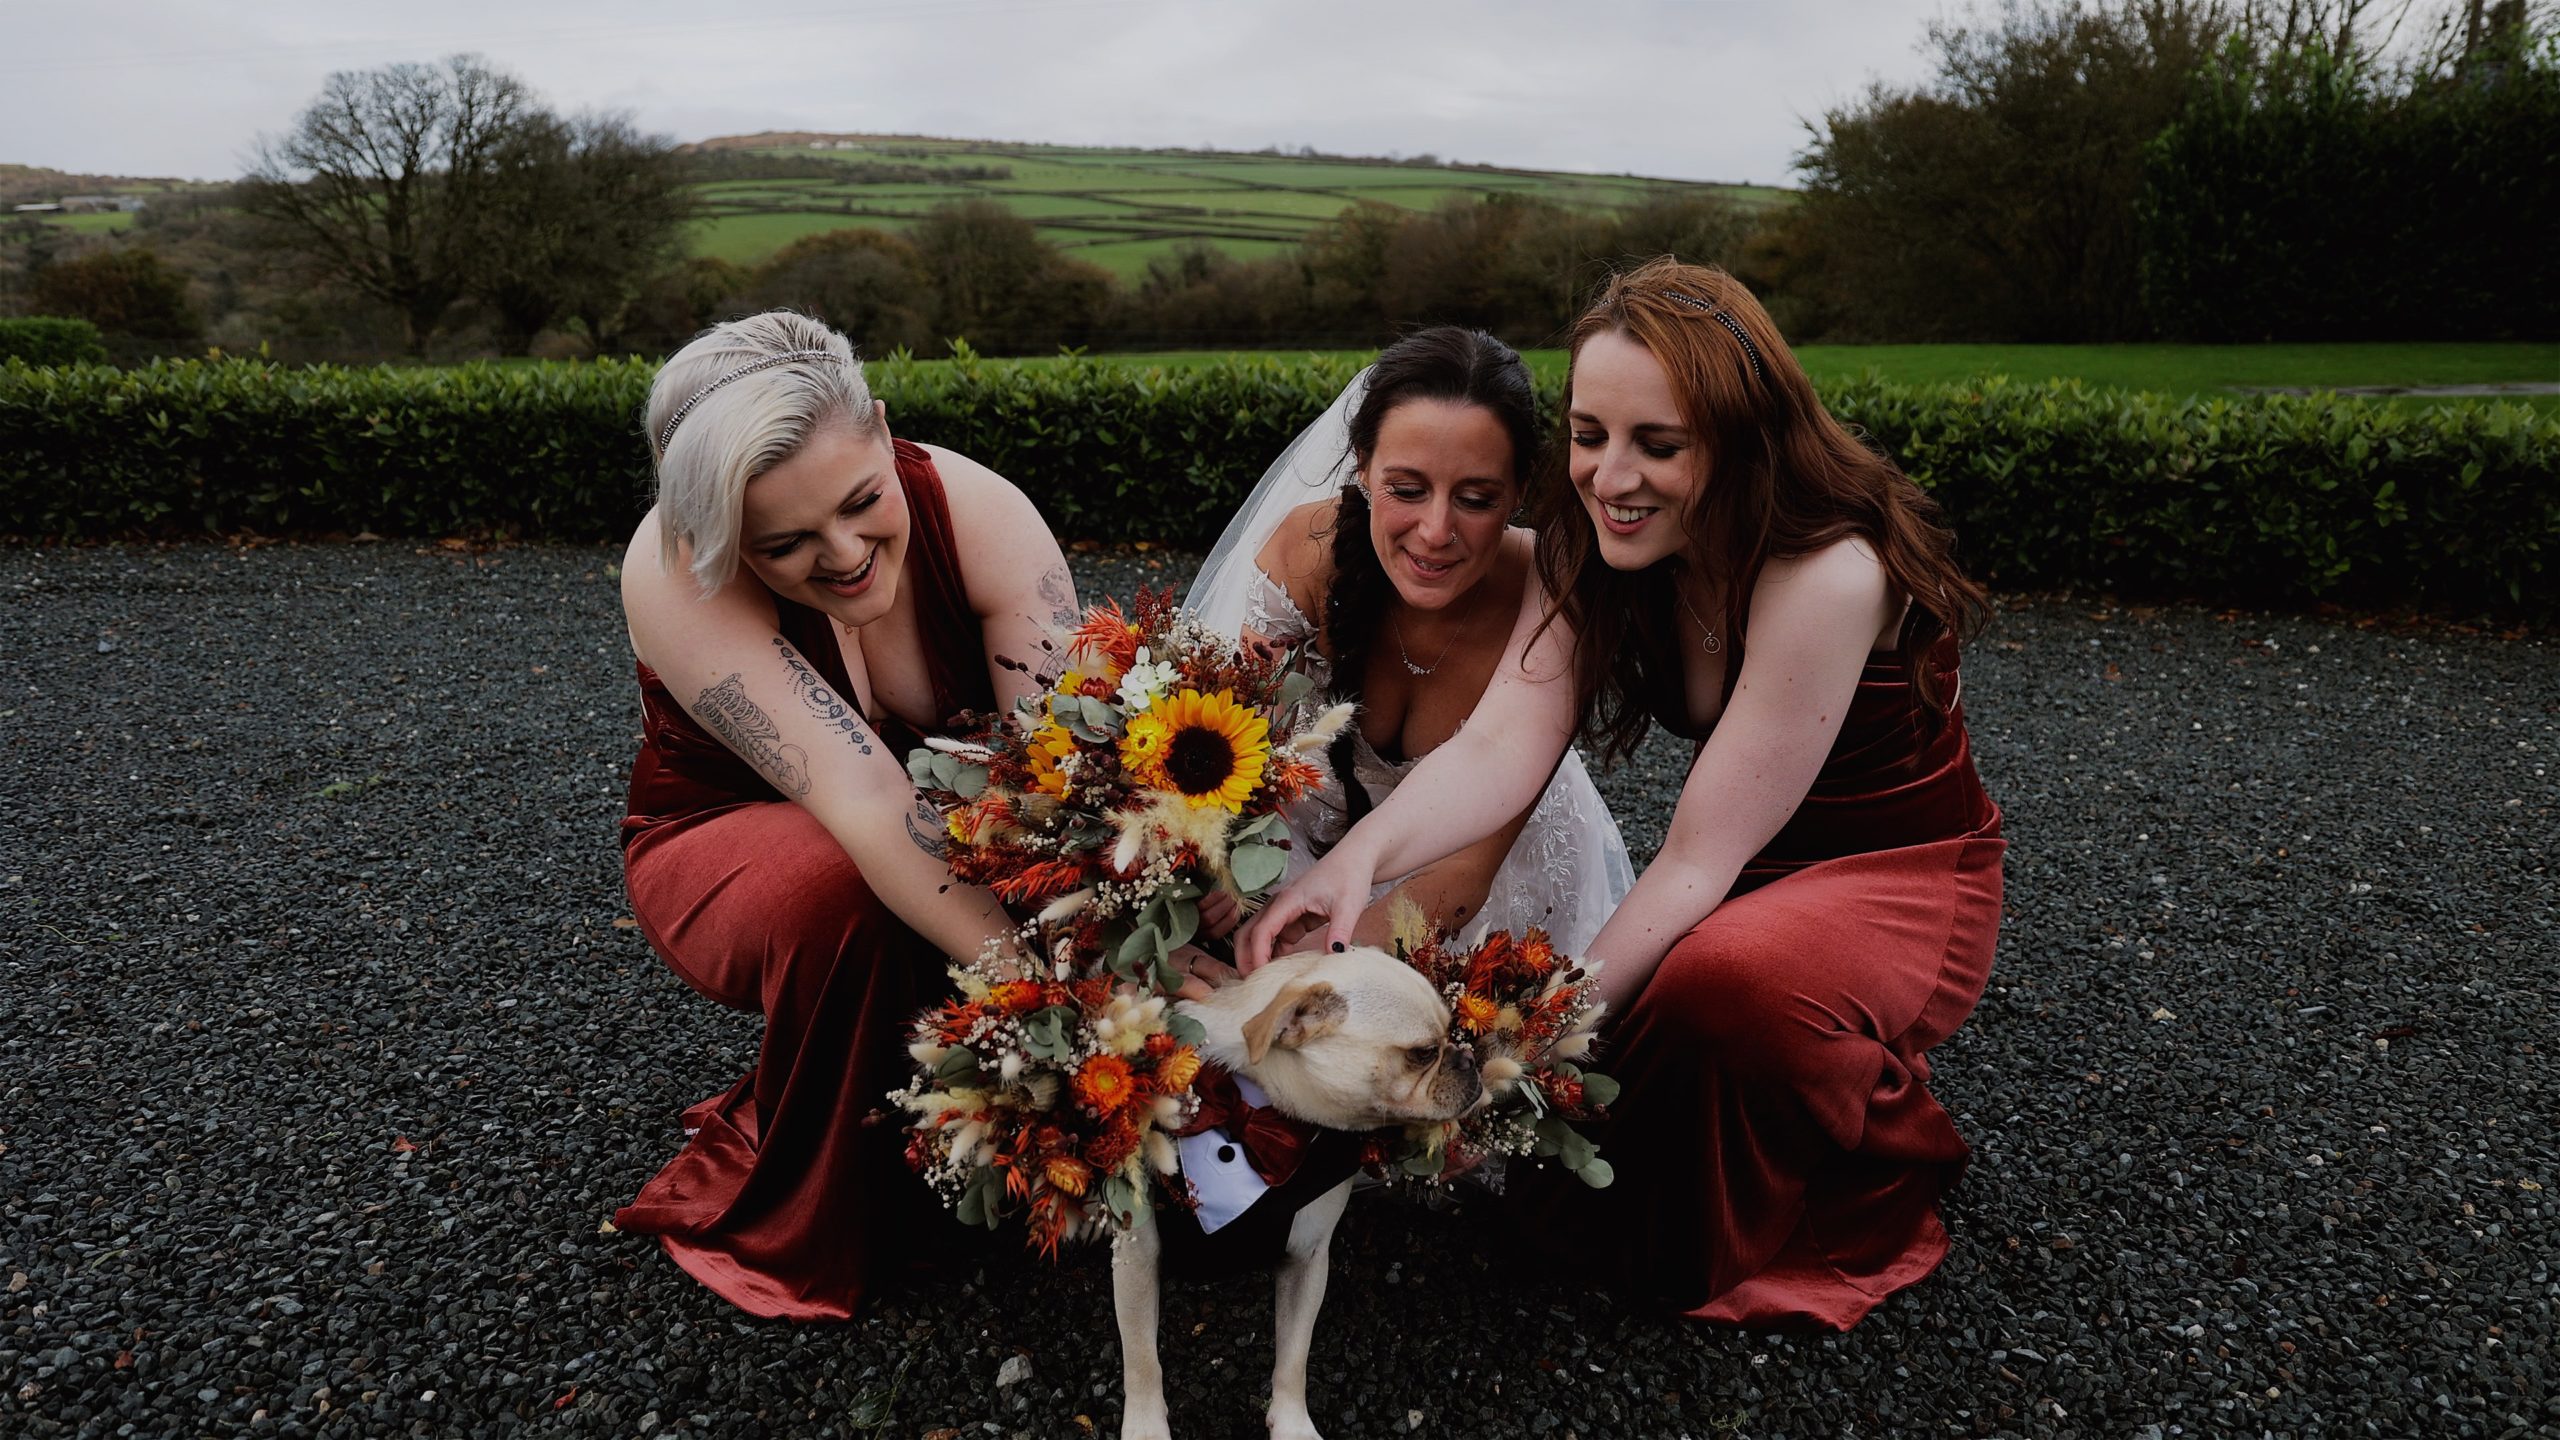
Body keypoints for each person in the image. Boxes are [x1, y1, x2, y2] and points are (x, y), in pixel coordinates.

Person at [1239, 259, 2005, 1330]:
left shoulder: (1829, 570)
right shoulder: (1593, 548)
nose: (1610, 476)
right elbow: (1503, 739)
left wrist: (1536, 1035)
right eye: (1589, 433)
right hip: (1740, 863)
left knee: (1718, 983)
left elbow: (1695, 861)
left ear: (1739, 437)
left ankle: (1866, 1135)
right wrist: (1351, 864)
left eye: (1659, 443)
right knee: (1653, 1017)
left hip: (1888, 876)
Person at [612, 311, 1076, 1319]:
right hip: (730, 847)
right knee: (840, 882)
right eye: (782, 545)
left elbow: (1065, 778)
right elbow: (863, 799)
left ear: (879, 426)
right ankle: (825, 1209)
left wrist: (1130, 968)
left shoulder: (981, 512)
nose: (845, 554)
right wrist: (1050, 1004)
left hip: (955, 831)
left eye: (864, 502)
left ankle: (968, 1126)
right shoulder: (669, 567)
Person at [1185, 326, 1632, 957]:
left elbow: (1464, 878)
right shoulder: (1307, 553)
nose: (1435, 531)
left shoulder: (1553, 592)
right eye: (1407, 490)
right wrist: (1220, 866)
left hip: (1484, 899)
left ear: (1522, 488)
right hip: (1299, 864)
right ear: (1362, 465)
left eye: (1476, 498)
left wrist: (1303, 970)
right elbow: (1208, 745)